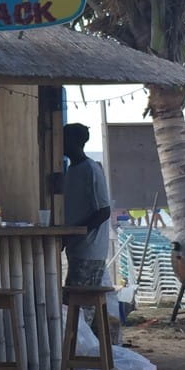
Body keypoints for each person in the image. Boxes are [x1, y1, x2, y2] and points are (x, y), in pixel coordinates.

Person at [61, 123, 112, 288]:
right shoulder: (72, 170)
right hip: (77, 247)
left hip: (89, 249)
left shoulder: (90, 169)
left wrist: (77, 233)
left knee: (80, 298)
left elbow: (104, 211)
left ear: (74, 141)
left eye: (64, 138)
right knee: (75, 296)